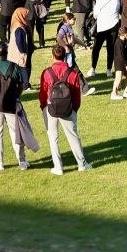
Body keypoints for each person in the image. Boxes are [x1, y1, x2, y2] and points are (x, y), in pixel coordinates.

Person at [37, 44, 91, 175]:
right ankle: (82, 163)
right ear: (64, 56)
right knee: (73, 136)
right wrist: (74, 110)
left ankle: (58, 167)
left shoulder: (47, 72)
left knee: (53, 137)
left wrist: (44, 106)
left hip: (51, 109)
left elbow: (43, 93)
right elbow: (76, 94)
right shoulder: (72, 73)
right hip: (68, 109)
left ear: (52, 56)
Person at [0, 41, 31, 171]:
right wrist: (16, 96)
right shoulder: (14, 66)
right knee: (15, 133)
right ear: (7, 53)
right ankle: (22, 160)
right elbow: (21, 85)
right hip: (12, 103)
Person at [88, 0, 120, 78]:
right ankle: (109, 70)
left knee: (96, 48)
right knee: (110, 49)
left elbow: (96, 14)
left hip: (101, 26)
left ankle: (93, 68)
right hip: (114, 25)